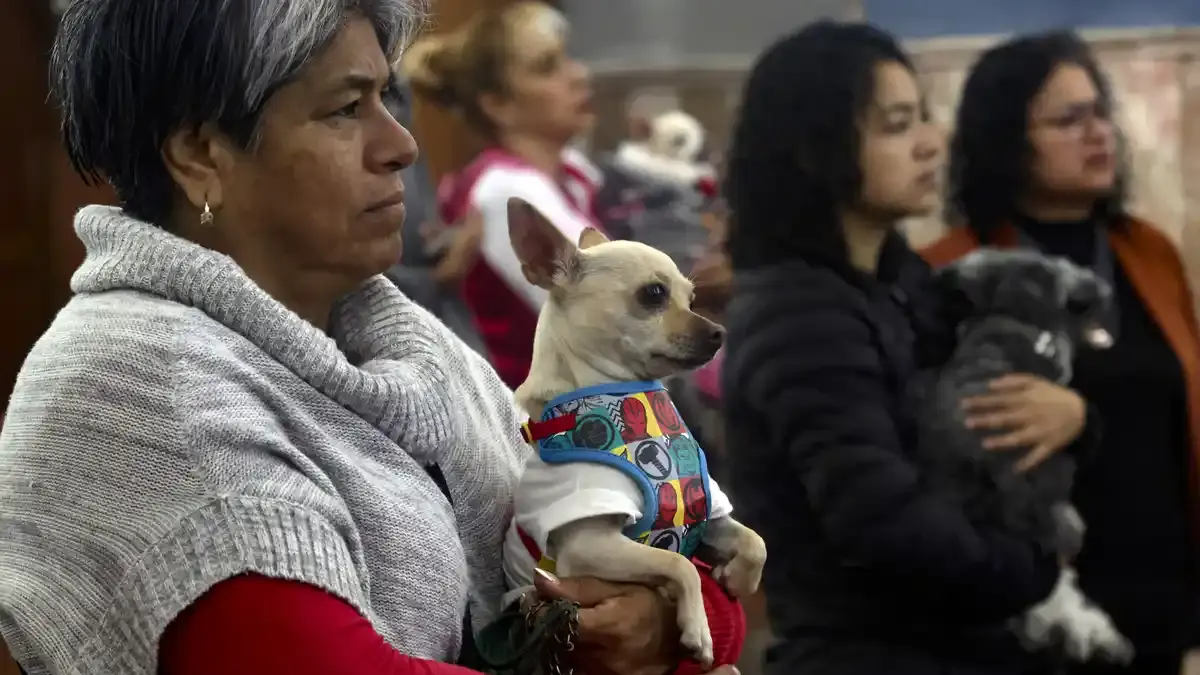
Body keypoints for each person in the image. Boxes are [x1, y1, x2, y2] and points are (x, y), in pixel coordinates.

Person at [0, 2, 744, 674]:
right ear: (200, 153)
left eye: (388, 99)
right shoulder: (142, 391)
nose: (402, 146)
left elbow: (699, 583)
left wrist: (665, 618)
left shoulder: (418, 352)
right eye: (345, 109)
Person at [720, 20, 1097, 675]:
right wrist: (1033, 566)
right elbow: (885, 526)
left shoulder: (898, 279)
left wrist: (1070, 417)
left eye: (923, 117)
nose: (931, 143)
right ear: (817, 148)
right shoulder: (799, 316)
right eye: (897, 125)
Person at [922, 30, 1200, 675]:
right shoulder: (955, 272)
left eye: (1100, 111)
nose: (1098, 132)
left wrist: (1084, 409)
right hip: (1029, 616)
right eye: (1068, 120)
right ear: (1008, 140)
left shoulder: (1149, 252)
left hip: (1163, 604)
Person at [402, 1, 602, 389]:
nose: (578, 75)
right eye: (548, 68)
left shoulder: (573, 174)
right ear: (498, 105)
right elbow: (608, 319)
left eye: (568, 60)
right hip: (547, 431)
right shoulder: (505, 191)